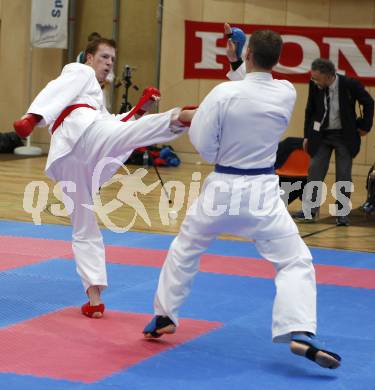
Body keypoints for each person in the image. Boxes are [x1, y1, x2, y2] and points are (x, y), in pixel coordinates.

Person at [142, 26, 341, 370]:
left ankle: (164, 315)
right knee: (294, 261)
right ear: (277, 60)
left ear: (248, 56)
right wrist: (240, 57)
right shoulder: (285, 92)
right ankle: (298, 329)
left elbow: (205, 141)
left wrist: (216, 140)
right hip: (262, 193)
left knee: (185, 248)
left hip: (222, 187)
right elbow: (251, 89)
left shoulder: (222, 94)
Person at [13, 37, 195, 319]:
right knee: (125, 136)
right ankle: (179, 117)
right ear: (88, 57)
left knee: (84, 225)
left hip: (75, 156)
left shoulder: (96, 99)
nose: (109, 63)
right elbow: (57, 91)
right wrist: (34, 117)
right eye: (104, 57)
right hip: (80, 138)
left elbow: (114, 125)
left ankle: (94, 298)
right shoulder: (79, 71)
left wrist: (140, 109)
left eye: (112, 59)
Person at [292, 58, 374, 226]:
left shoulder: (350, 84)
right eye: (313, 78)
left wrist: (365, 125)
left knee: (343, 174)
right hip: (321, 136)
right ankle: (310, 211)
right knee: (314, 169)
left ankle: (342, 214)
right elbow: (310, 110)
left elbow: (368, 102)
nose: (314, 81)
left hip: (345, 136)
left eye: (317, 78)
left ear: (329, 75)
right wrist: (307, 136)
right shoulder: (314, 85)